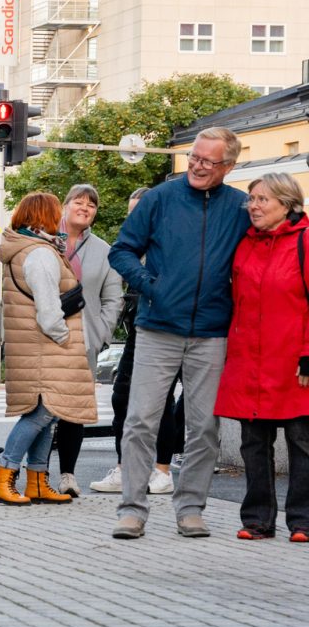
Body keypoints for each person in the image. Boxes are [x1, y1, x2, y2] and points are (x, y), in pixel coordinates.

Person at [108, 127, 250, 539]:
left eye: (208, 161)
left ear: (228, 166)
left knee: (204, 427)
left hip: (211, 331)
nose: (197, 166)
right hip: (158, 328)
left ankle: (190, 509)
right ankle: (132, 510)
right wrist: (151, 285)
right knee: (139, 421)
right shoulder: (159, 198)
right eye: (194, 156)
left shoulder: (241, 207)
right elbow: (122, 250)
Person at [214, 173, 309, 542]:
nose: (253, 205)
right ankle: (257, 520)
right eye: (251, 198)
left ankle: (302, 521)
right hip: (248, 361)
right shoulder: (245, 244)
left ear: (286, 203)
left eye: (262, 199)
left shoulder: (304, 241)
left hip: (292, 360)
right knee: (253, 443)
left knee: (302, 443)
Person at [0, 192, 96, 507]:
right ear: (44, 217)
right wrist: (65, 339)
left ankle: (37, 480)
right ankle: (4, 477)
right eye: (55, 213)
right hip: (46, 347)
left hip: (34, 346)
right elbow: (49, 311)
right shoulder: (40, 254)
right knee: (42, 414)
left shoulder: (26, 249)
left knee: (48, 415)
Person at [89, 186, 182, 496]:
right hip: (139, 328)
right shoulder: (133, 245)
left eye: (137, 212)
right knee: (123, 397)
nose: (133, 219)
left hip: (168, 329)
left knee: (163, 400)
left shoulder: (170, 242)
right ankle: (124, 467)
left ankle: (162, 470)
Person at [49, 184, 123, 497]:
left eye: (91, 205)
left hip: (83, 341)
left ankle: (68, 475)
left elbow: (113, 298)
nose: (85, 208)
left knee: (73, 411)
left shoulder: (104, 251)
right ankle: (36, 473)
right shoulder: (46, 240)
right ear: (65, 206)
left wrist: (100, 335)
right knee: (39, 409)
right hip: (43, 337)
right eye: (79, 202)